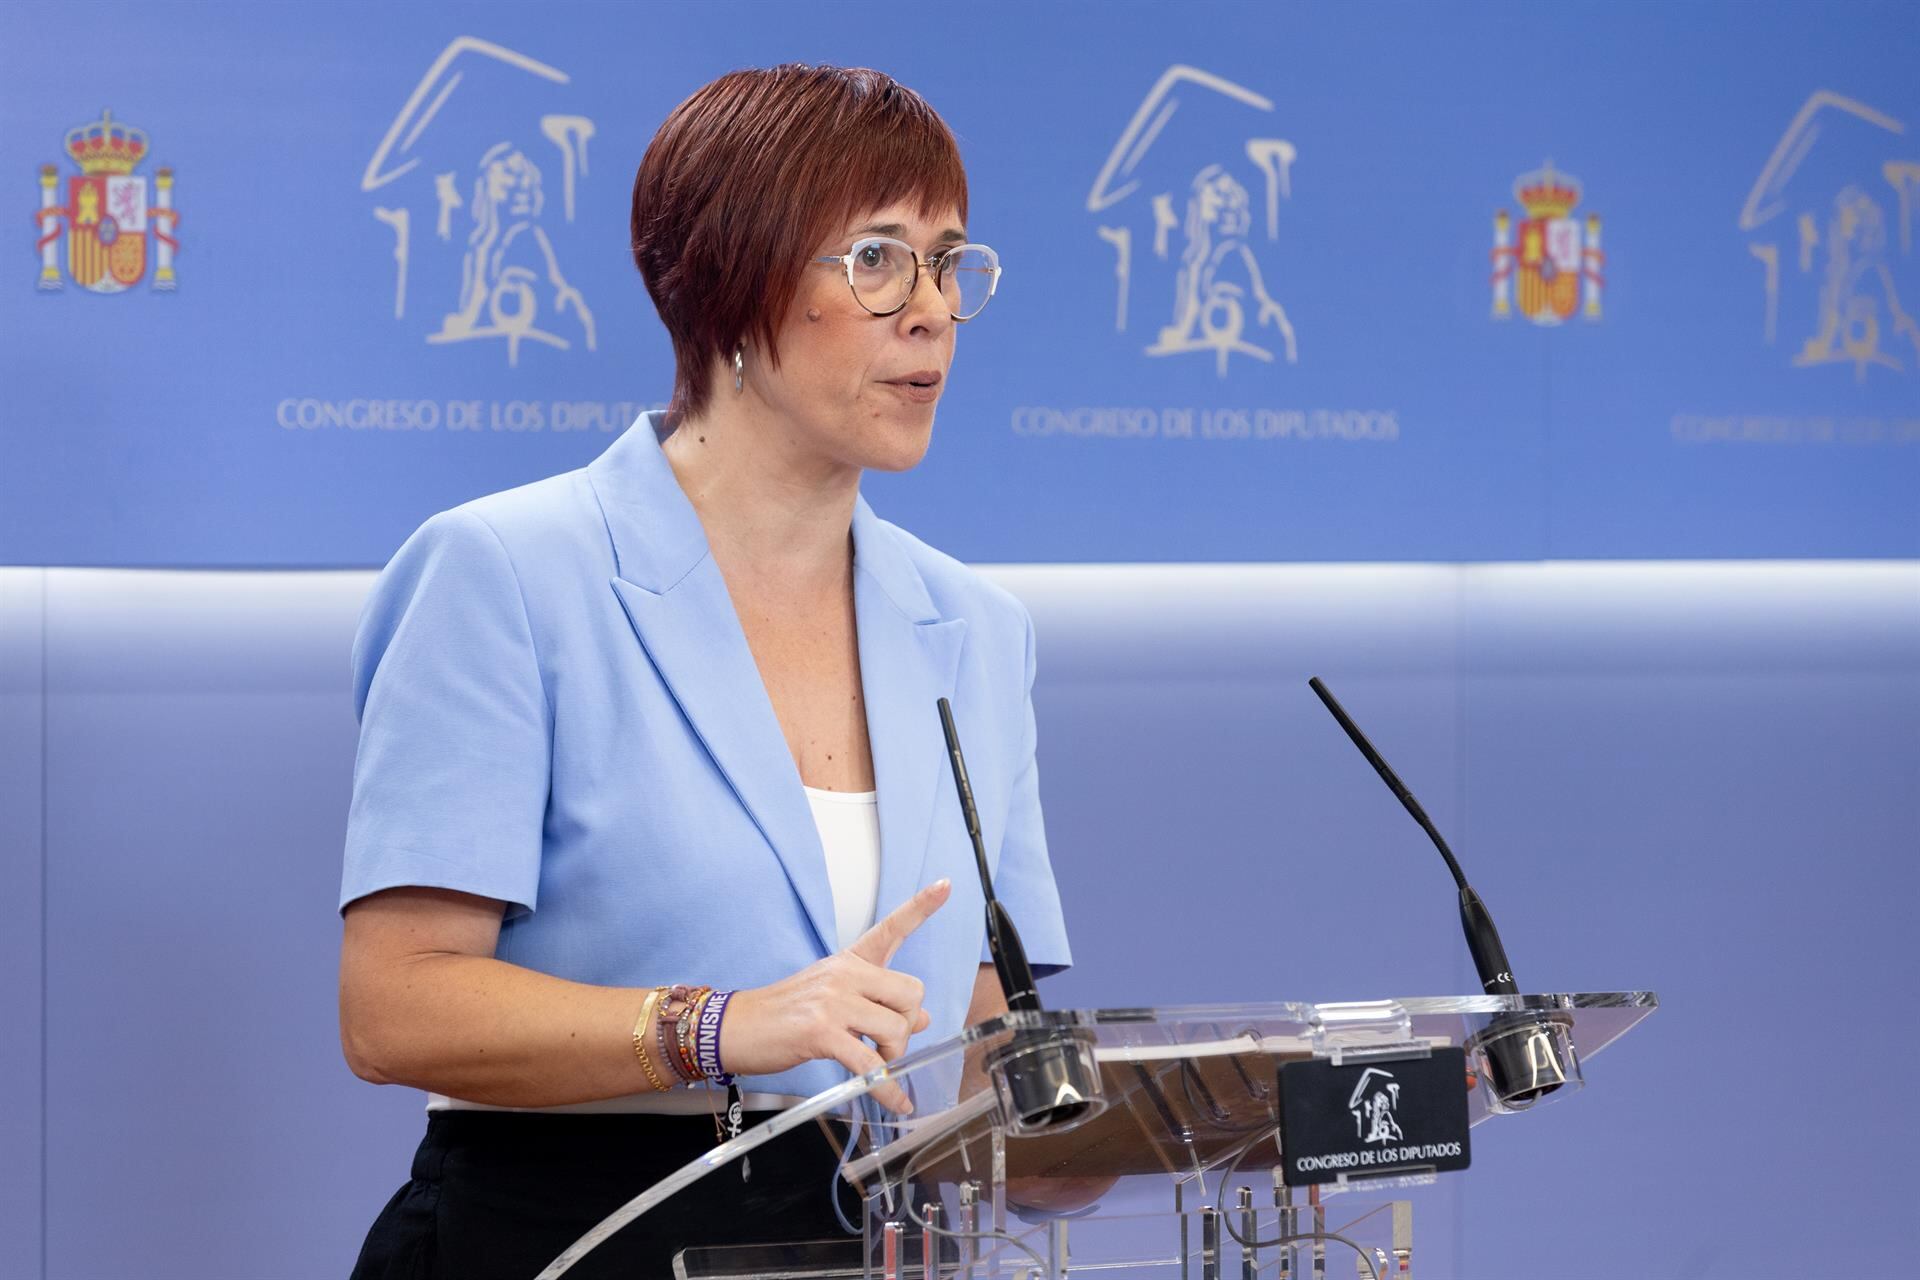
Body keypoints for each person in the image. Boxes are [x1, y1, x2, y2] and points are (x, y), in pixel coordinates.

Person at [338, 64, 1072, 1278]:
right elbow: (396, 1004)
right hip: (576, 1228)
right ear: (731, 287)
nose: (932, 308)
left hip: (885, 1235)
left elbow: (988, 1052)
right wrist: (719, 1025)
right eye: (878, 259)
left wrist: (1212, 1111)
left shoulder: (978, 629)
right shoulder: (506, 573)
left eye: (948, 261)